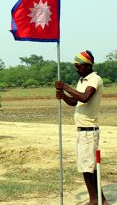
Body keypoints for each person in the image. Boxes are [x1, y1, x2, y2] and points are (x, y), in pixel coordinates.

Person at [55, 50, 108, 205]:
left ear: (88, 65)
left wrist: (65, 87)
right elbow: (76, 102)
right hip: (82, 131)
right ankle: (101, 200)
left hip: (89, 131)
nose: (76, 68)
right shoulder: (82, 80)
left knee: (88, 168)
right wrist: (64, 96)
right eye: (75, 66)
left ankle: (94, 200)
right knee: (89, 167)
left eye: (79, 66)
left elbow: (85, 97)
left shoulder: (94, 79)